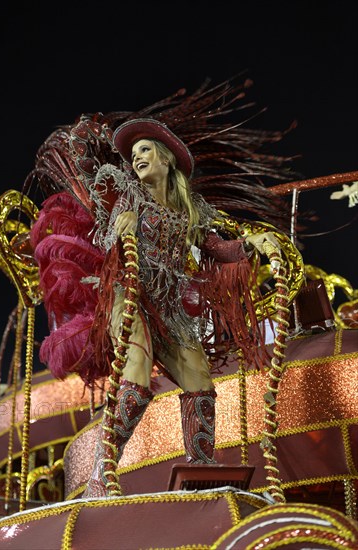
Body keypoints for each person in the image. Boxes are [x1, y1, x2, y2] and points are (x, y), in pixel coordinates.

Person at [59, 117, 279, 497]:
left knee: (200, 381)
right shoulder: (126, 195)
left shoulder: (190, 210)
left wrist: (252, 243)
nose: (137, 157)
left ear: (166, 160)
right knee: (138, 373)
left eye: (145, 150)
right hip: (129, 295)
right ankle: (102, 471)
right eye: (134, 154)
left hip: (169, 306)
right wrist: (120, 223)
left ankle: (201, 471)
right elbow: (97, 196)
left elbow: (217, 249)